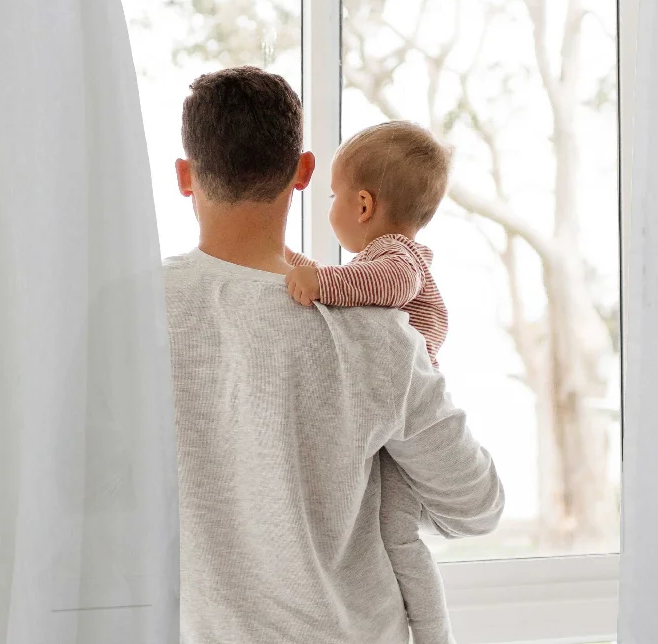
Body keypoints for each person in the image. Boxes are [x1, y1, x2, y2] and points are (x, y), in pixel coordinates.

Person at [163, 65, 504, 644]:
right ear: (303, 172)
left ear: (184, 177)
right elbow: (476, 505)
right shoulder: (374, 331)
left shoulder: (126, 315)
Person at [285, 120, 456, 643]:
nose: (330, 205)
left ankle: (433, 635)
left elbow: (385, 284)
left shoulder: (395, 259)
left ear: (362, 206)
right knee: (388, 534)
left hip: (406, 418)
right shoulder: (379, 260)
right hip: (390, 421)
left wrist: (321, 281)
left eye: (334, 195)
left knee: (399, 539)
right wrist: (290, 263)